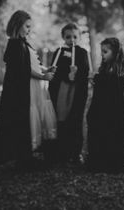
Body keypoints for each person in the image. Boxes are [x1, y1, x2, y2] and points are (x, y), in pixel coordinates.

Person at [0, 10, 56, 170]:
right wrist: (42, 77)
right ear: (17, 24)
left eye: (30, 27)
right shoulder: (15, 44)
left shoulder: (23, 43)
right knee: (22, 122)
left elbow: (31, 64)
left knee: (25, 122)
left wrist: (45, 69)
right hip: (20, 92)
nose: (29, 30)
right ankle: (24, 160)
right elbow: (23, 70)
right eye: (27, 26)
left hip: (27, 89)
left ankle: (25, 157)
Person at [86, 37, 124, 173]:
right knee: (99, 130)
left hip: (113, 111)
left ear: (115, 52)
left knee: (111, 132)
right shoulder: (105, 68)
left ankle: (111, 161)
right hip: (101, 108)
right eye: (101, 52)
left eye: (105, 52)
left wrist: (98, 79)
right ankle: (99, 160)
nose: (102, 55)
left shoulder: (120, 69)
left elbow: (116, 86)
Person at [49, 23, 89, 163]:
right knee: (61, 119)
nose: (72, 39)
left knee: (76, 121)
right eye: (68, 37)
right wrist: (66, 74)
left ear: (79, 37)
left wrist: (76, 75)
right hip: (61, 91)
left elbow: (85, 72)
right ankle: (61, 151)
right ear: (63, 37)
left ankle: (76, 152)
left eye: (75, 36)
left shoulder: (82, 53)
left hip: (76, 92)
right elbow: (55, 71)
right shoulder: (59, 51)